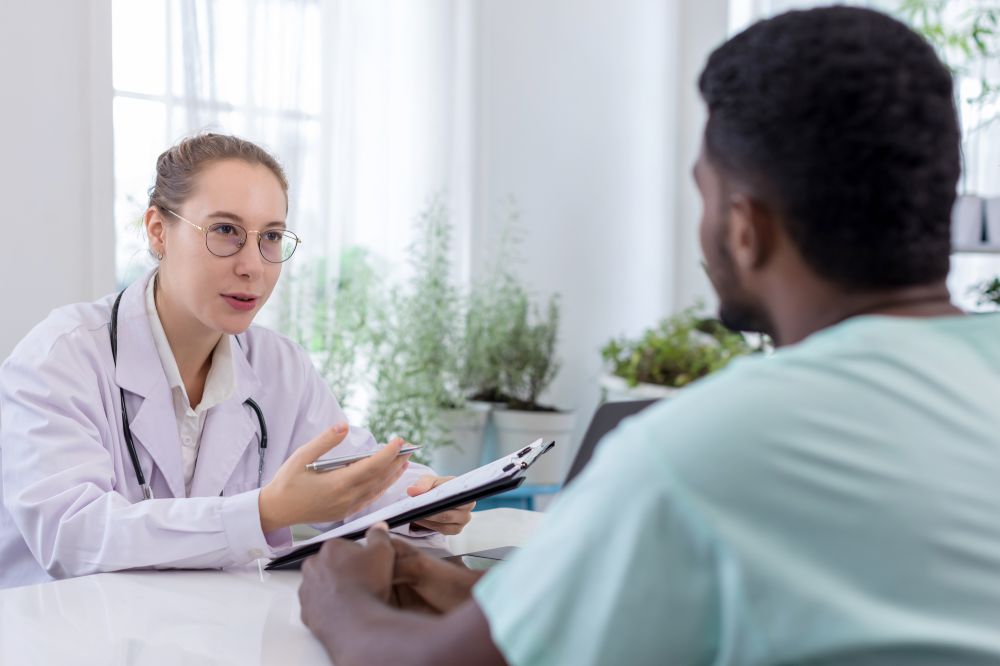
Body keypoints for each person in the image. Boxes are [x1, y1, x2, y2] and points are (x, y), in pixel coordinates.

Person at [297, 7, 1000, 665]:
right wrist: (492, 599)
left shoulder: (704, 449)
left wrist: (342, 599)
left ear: (745, 228)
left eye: (702, 193)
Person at [0, 133, 472, 589]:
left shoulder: (278, 365)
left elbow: (352, 470)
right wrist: (263, 513)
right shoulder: (61, 358)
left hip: (209, 630)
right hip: (67, 636)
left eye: (270, 237)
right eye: (225, 231)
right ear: (158, 231)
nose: (254, 265)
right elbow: (74, 537)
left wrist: (422, 497)